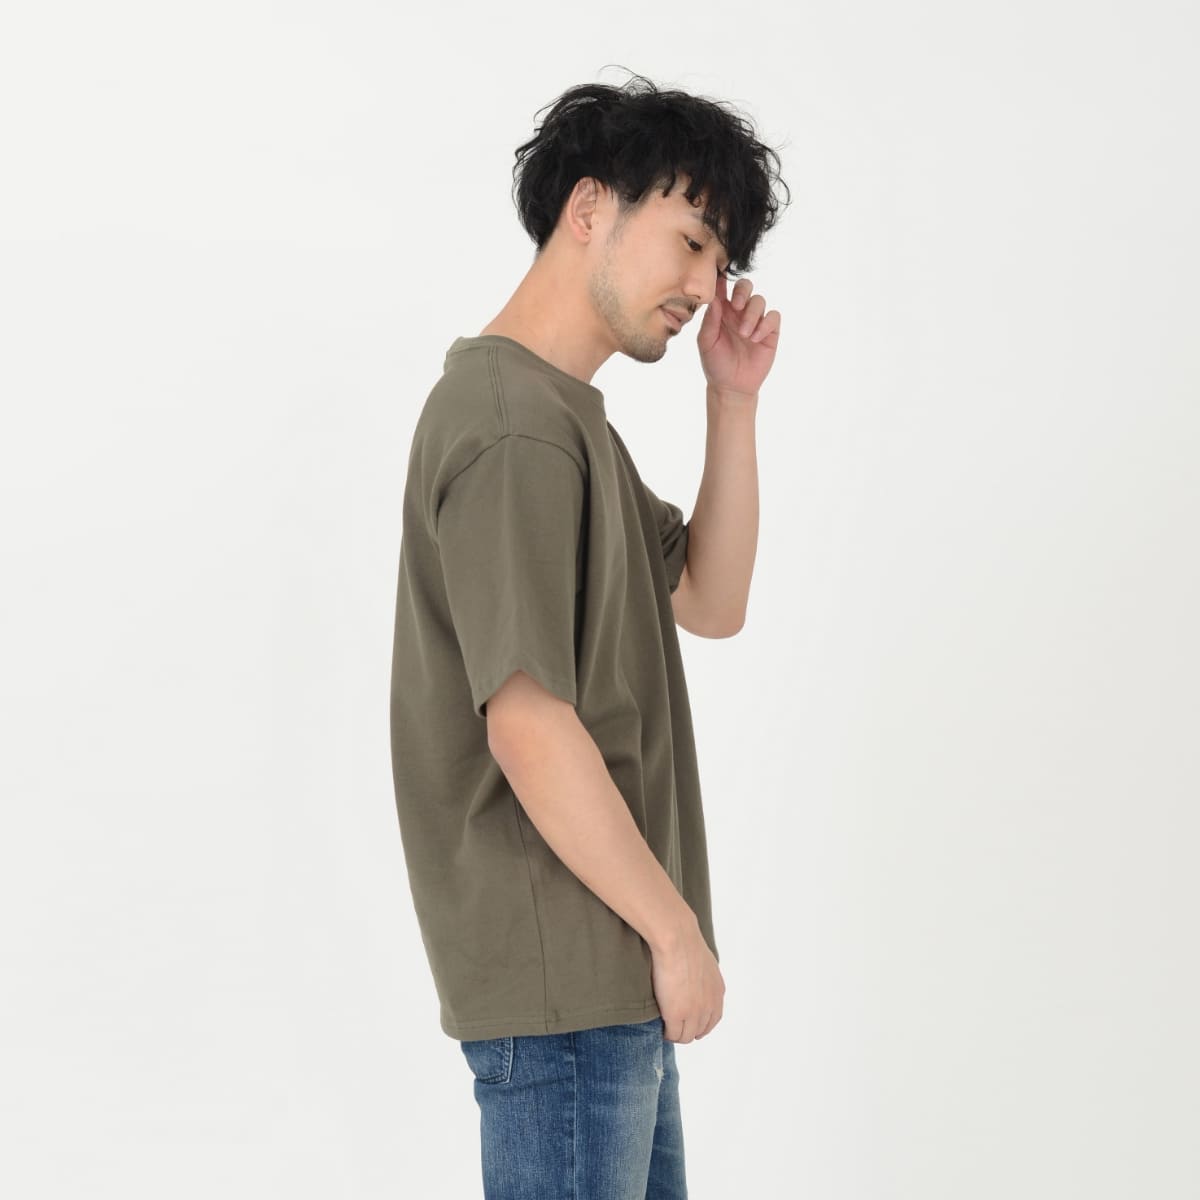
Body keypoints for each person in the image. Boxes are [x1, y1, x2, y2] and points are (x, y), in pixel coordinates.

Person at [388, 68, 787, 1199]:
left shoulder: (567, 423)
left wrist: (733, 401)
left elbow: (711, 599)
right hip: (570, 983)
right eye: (693, 241)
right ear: (589, 207)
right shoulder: (514, 427)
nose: (709, 286)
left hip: (603, 981)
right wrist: (675, 933)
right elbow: (526, 722)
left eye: (723, 260)